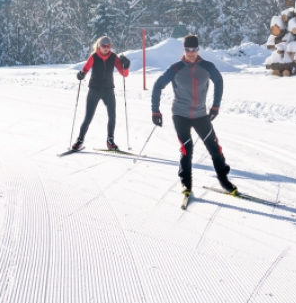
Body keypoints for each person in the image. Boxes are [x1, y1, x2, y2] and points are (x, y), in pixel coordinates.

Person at [150, 34, 237, 197]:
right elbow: (158, 85)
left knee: (214, 147)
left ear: (198, 49)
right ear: (184, 49)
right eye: (188, 49)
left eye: (194, 49)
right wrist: (155, 110)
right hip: (180, 115)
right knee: (187, 148)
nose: (191, 52)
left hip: (200, 115)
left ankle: (224, 179)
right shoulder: (176, 68)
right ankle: (186, 184)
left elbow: (218, 81)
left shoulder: (207, 66)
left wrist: (216, 106)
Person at [72, 36, 131, 151]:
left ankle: (110, 141)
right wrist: (81, 75)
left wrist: (126, 66)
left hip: (108, 90)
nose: (106, 48)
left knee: (112, 116)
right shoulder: (94, 57)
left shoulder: (113, 57)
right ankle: (79, 141)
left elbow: (124, 74)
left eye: (109, 46)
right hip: (94, 90)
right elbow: (85, 69)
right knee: (88, 117)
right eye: (104, 46)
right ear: (99, 46)